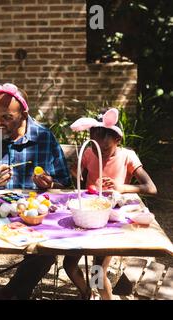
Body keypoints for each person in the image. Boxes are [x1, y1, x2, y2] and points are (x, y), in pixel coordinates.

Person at [0, 80, 72, 299]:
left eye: (7, 117)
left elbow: (62, 183)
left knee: (48, 250)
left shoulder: (43, 137)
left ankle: (14, 293)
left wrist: (49, 184)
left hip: (29, 216)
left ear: (24, 114)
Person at [64, 108, 157, 300]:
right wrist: (77, 173)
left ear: (118, 140)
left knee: (97, 273)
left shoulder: (127, 156)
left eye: (105, 149)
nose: (101, 152)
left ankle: (104, 296)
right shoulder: (90, 153)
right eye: (96, 147)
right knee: (69, 265)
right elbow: (81, 177)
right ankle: (86, 293)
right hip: (87, 216)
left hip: (111, 220)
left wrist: (120, 187)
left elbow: (151, 187)